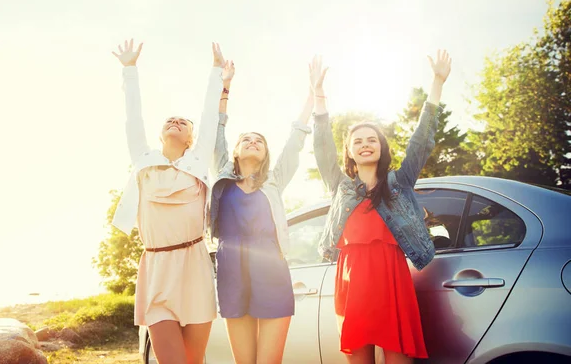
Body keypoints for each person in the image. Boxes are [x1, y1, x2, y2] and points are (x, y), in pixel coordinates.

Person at [311, 51, 452, 364]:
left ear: (381, 147)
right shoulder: (340, 185)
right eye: (358, 140)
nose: (365, 144)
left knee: (398, 356)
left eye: (371, 139)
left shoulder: (399, 182)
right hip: (351, 278)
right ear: (349, 151)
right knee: (359, 357)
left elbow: (422, 141)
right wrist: (319, 95)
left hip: (391, 276)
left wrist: (437, 83)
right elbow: (321, 145)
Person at [111, 39, 233, 364]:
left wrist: (216, 73)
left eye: (183, 122)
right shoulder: (143, 161)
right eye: (170, 120)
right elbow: (132, 119)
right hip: (157, 268)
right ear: (160, 133)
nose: (176, 122)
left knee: (193, 360)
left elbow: (209, 118)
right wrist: (129, 70)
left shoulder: (196, 163)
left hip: (195, 265)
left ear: (191, 139)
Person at [209, 65, 314, 364]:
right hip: (231, 271)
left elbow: (296, 140)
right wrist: (225, 88)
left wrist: (311, 95)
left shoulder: (275, 181)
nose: (253, 142)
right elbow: (217, 129)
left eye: (260, 141)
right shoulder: (222, 178)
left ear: (266, 153)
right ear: (236, 152)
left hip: (271, 271)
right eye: (247, 140)